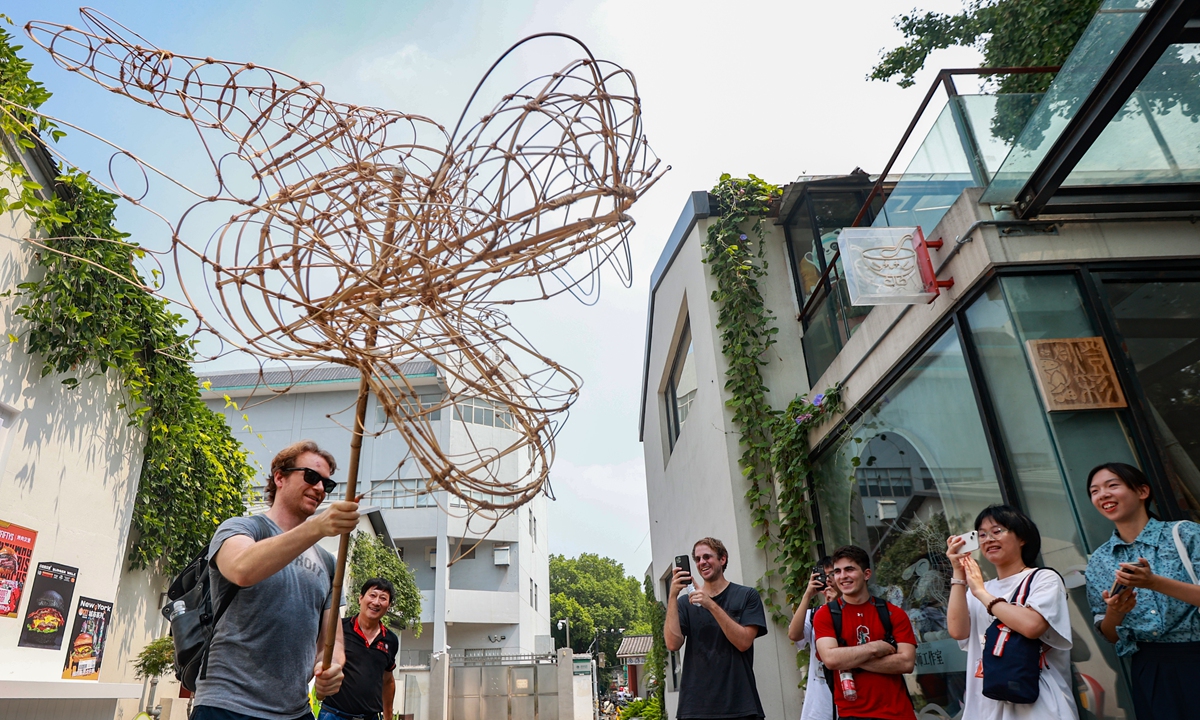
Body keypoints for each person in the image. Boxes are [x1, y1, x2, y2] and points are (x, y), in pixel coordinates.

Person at [193, 440, 359, 720]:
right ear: (279, 477)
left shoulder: (329, 562)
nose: (320, 488)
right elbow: (242, 569)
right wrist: (315, 528)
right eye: (311, 476)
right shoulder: (241, 528)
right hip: (227, 705)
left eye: (327, 485)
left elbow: (332, 641)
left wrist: (331, 666)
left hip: (295, 711)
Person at [1083, 462, 1200, 720]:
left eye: (1112, 485)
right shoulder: (1100, 560)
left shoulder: (1184, 534)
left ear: (1142, 491)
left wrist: (1154, 582)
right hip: (1150, 666)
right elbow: (1110, 634)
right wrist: (1115, 612)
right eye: (1095, 491)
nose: (1103, 495)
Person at [945, 505, 1077, 720]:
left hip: (1038, 706)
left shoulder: (1043, 578)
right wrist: (958, 573)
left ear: (1022, 537)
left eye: (997, 531)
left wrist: (980, 592)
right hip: (985, 706)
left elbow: (1032, 626)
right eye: (982, 535)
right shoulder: (979, 588)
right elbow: (958, 631)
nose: (988, 539)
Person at [664, 537, 768, 720]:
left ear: (723, 559)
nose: (701, 562)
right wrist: (672, 596)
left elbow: (743, 642)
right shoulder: (684, 603)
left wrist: (710, 604)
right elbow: (672, 644)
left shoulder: (747, 595)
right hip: (695, 707)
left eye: (707, 557)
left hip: (740, 705)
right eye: (697, 559)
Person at [813, 545, 916, 720]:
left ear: (866, 574)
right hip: (852, 714)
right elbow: (830, 660)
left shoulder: (893, 613)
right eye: (837, 571)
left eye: (850, 569)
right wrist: (874, 648)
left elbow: (906, 663)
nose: (843, 576)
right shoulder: (826, 614)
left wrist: (847, 658)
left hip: (898, 713)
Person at [319, 578, 400, 720]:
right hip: (334, 715)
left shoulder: (390, 640)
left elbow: (387, 680)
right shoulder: (339, 629)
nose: (376, 602)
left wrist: (388, 716)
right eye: (372, 595)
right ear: (360, 598)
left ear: (388, 606)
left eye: (383, 598)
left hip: (370, 717)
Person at [788, 557, 838, 720]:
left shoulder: (853, 612)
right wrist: (807, 595)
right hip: (819, 705)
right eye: (823, 576)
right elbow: (794, 635)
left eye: (832, 575)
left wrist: (836, 606)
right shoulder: (814, 615)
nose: (828, 580)